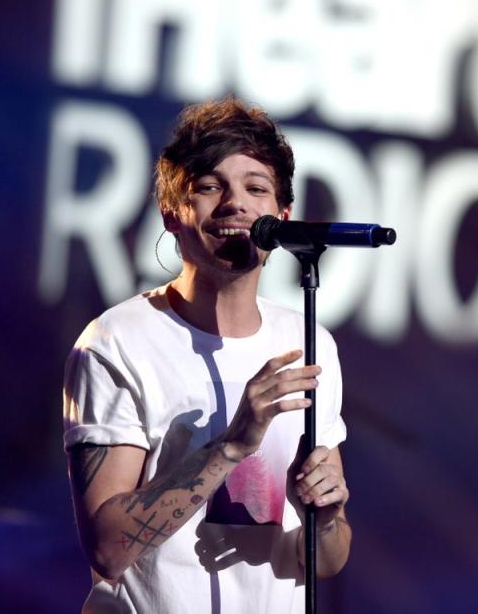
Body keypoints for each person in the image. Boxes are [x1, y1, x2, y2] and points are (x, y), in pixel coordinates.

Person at [63, 97, 351, 613]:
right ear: (172, 214)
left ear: (282, 217)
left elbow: (327, 560)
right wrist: (232, 446)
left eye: (255, 188)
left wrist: (326, 519)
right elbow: (107, 550)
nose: (235, 203)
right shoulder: (117, 343)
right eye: (210, 186)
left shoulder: (310, 342)